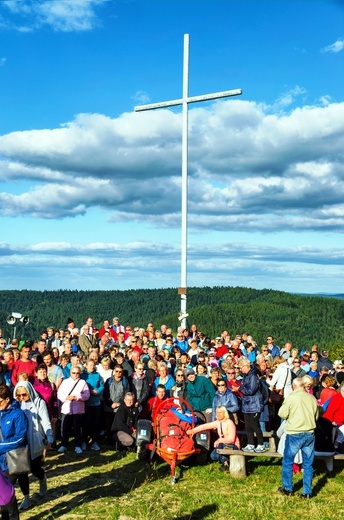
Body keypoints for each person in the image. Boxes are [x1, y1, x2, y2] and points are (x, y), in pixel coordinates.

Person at [278, 377, 319, 498]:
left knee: (287, 461)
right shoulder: (311, 398)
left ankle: (288, 488)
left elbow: (282, 413)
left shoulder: (291, 397)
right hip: (309, 433)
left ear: (294, 386)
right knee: (308, 464)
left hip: (295, 433)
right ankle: (307, 492)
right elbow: (316, 415)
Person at [13, 381, 54, 505]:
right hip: (20, 442)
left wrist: (50, 437)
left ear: (30, 392)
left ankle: (42, 478)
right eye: (18, 395)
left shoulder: (39, 403)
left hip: (34, 441)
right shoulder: (16, 405)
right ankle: (26, 497)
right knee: (21, 471)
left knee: (34, 468)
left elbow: (45, 421)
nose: (21, 398)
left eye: (24, 395)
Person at [187, 406, 240, 471]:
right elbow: (205, 426)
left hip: (233, 445)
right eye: (217, 412)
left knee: (221, 447)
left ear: (224, 413)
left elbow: (231, 439)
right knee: (213, 456)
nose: (218, 414)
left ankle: (226, 464)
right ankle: (227, 460)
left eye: (221, 412)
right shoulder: (218, 422)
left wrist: (219, 440)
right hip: (223, 444)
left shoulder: (229, 423)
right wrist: (193, 431)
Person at [0, 385, 27, 514]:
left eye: (0, 402)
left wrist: (0, 446)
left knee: (7, 497)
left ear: (7, 399)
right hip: (1, 460)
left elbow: (19, 439)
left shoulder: (18, 414)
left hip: (12, 460)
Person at [57, 366, 90, 454]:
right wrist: (66, 397)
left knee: (77, 428)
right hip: (67, 408)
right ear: (70, 373)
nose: (75, 375)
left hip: (78, 409)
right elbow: (59, 393)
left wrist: (78, 397)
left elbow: (87, 395)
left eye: (77, 373)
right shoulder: (65, 382)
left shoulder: (83, 382)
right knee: (65, 427)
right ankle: (64, 445)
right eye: (73, 373)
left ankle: (77, 445)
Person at [237, 357, 265, 453]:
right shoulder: (246, 376)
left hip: (254, 404)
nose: (240, 370)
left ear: (246, 366)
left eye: (241, 367)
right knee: (248, 425)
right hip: (247, 404)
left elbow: (251, 390)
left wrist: (240, 389)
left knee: (255, 425)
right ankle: (250, 443)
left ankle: (261, 444)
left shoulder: (253, 376)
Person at [80, 359, 104, 451]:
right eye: (90, 365)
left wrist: (97, 391)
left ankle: (94, 441)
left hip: (96, 402)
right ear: (86, 365)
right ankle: (84, 441)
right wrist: (88, 392)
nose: (92, 367)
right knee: (86, 423)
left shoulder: (97, 375)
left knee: (95, 423)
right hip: (86, 402)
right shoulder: (83, 376)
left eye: (93, 365)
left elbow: (102, 385)